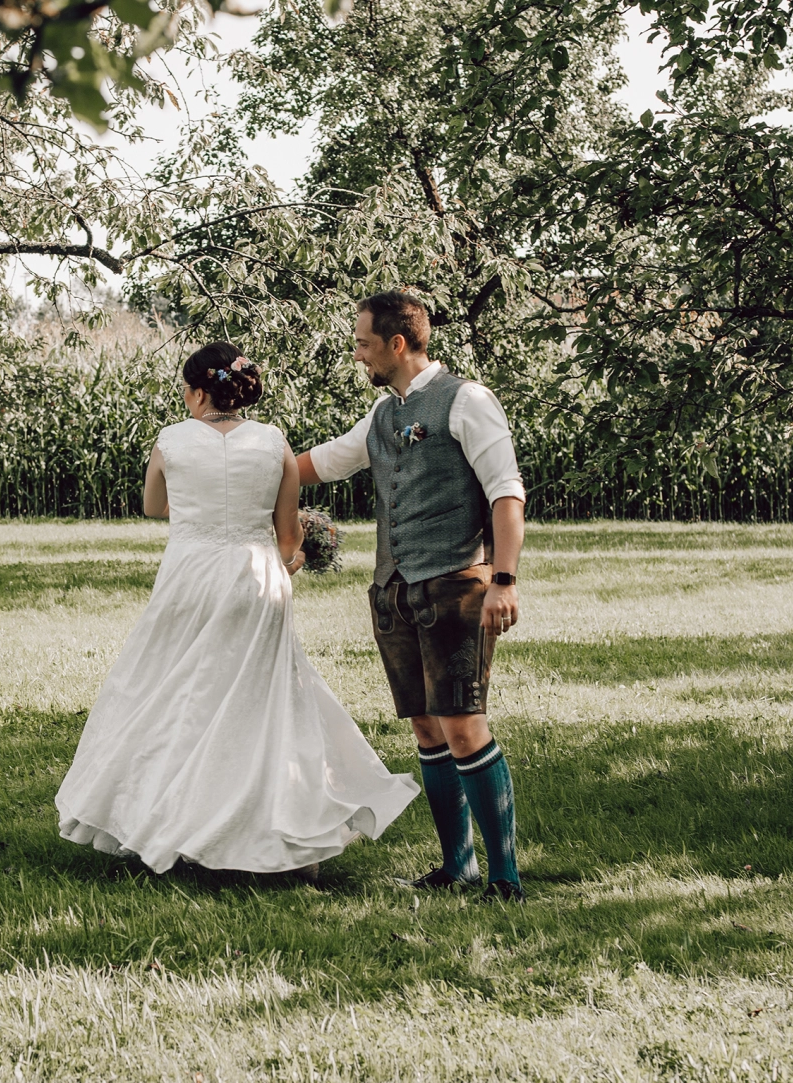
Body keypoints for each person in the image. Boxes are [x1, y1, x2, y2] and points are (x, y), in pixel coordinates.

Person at [56, 342, 419, 880]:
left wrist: (199, 499)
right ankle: (283, 832)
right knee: (265, 700)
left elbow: (154, 506)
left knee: (175, 691)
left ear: (200, 391)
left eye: (186, 389)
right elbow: (287, 532)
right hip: (256, 580)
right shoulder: (272, 442)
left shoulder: (172, 441)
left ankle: (168, 826)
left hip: (189, 576)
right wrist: (290, 558)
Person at [296, 291, 528, 902]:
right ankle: (459, 867)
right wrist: (240, 459)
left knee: (463, 726)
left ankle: (505, 878)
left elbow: (507, 493)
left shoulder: (468, 401)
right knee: (427, 727)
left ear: (397, 344)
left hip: (456, 584)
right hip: (395, 594)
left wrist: (504, 580)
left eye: (364, 343)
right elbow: (322, 463)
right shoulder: (380, 415)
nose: (358, 353)